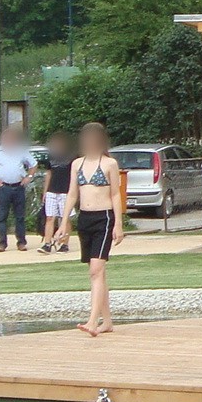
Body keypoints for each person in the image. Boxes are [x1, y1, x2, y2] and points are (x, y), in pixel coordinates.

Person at [63, 121, 126, 335]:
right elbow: (72, 194)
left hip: (104, 218)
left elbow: (116, 194)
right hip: (85, 219)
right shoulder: (77, 164)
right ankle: (107, 321)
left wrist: (118, 224)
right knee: (99, 274)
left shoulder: (109, 164)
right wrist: (64, 222)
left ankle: (92, 321)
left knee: (95, 270)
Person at [0, 125, 37, 252]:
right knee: (2, 217)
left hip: (18, 187)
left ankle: (21, 242)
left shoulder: (21, 151)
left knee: (20, 217)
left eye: (12, 139)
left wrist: (29, 176)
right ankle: (2, 243)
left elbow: (33, 164)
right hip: (3, 188)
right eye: (7, 139)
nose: (9, 141)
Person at [38, 131, 74, 254]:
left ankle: (64, 243)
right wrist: (45, 191)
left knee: (65, 218)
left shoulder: (71, 158)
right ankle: (47, 243)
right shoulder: (51, 157)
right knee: (50, 217)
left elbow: (74, 176)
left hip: (65, 191)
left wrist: (73, 192)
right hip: (52, 191)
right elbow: (49, 174)